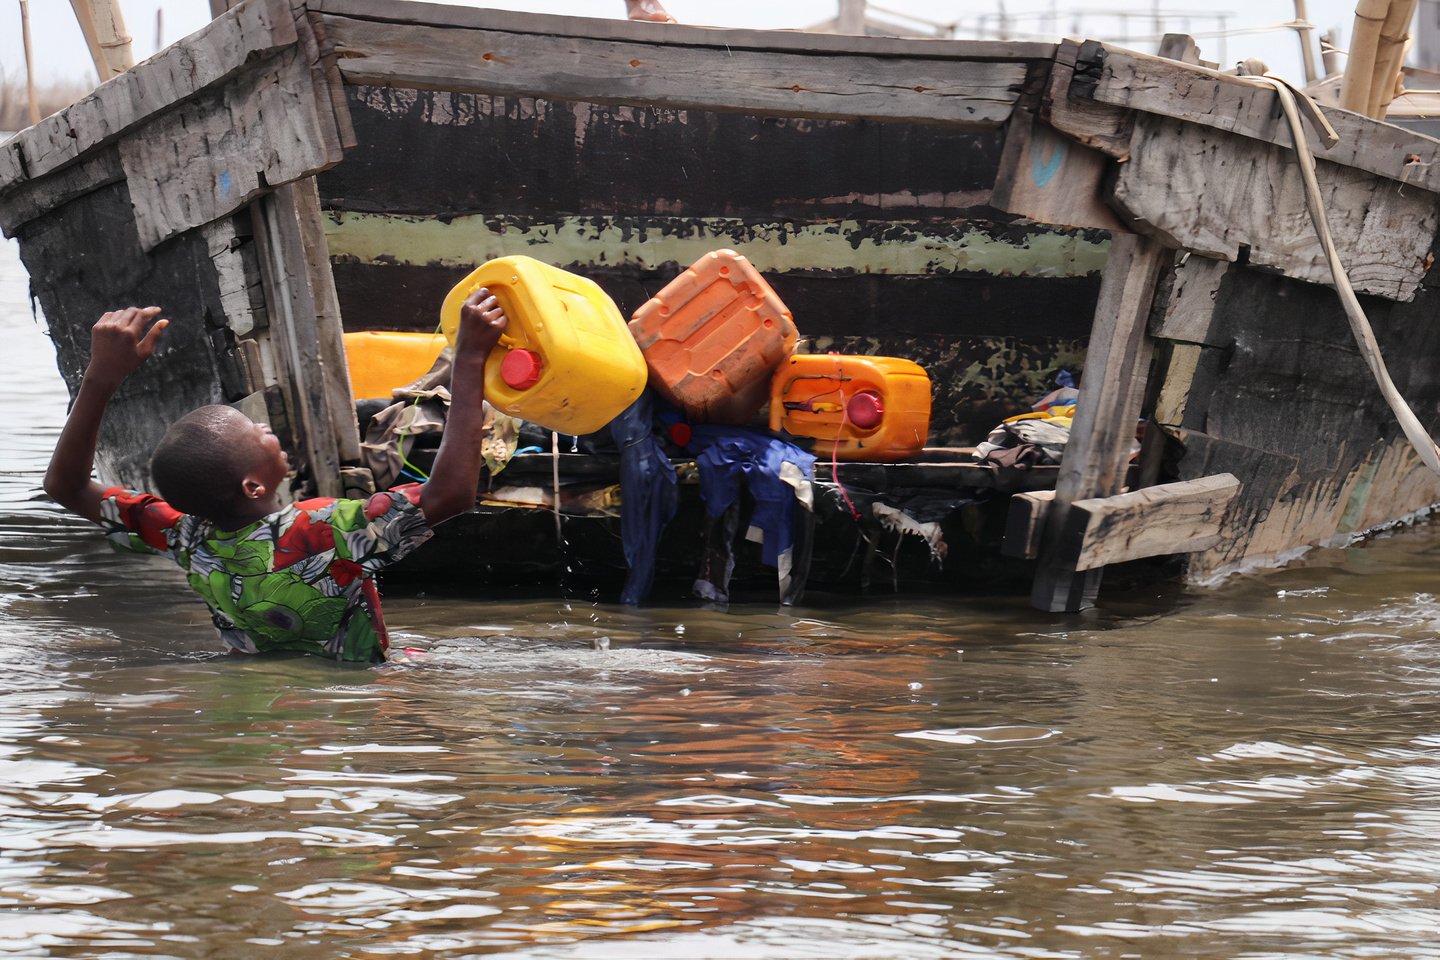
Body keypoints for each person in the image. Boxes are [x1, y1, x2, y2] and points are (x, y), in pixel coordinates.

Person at [43, 290, 507, 663]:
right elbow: (451, 494)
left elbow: (64, 487)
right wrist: (467, 360)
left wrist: (100, 379)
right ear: (252, 485)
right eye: (256, 433)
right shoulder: (326, 530)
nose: (264, 427)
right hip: (363, 693)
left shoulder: (184, 539)